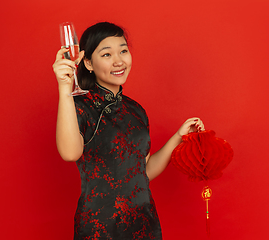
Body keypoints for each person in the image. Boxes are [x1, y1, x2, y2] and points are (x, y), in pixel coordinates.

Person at [53, 22, 205, 240]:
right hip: (100, 228)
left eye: (123, 50)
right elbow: (70, 153)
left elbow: (143, 172)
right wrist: (64, 89)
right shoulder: (79, 106)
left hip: (144, 224)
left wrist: (178, 137)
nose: (119, 61)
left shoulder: (135, 110)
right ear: (87, 62)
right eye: (106, 54)